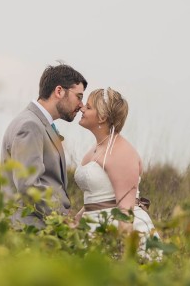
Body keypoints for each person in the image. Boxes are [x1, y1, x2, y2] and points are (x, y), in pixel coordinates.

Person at [73, 87, 162, 260]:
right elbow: (98, 195)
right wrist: (77, 220)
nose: (82, 108)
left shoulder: (121, 152)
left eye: (89, 107)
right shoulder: (97, 148)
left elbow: (125, 211)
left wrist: (123, 255)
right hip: (92, 229)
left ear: (103, 117)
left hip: (117, 231)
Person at [1, 63, 87, 229]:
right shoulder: (30, 125)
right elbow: (29, 184)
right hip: (30, 230)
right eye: (79, 97)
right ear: (59, 91)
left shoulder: (38, 124)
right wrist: (61, 220)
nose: (81, 105)